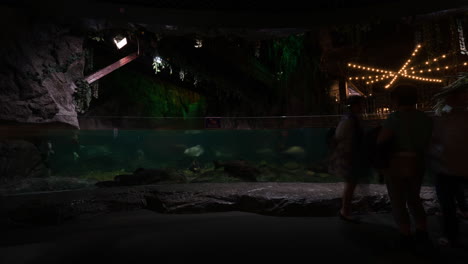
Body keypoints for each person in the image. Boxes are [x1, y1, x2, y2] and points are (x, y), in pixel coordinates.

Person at [377, 84, 433, 249]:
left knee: (398, 200)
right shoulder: (425, 119)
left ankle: (405, 234)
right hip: (418, 162)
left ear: (397, 100)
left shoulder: (394, 118)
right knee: (414, 198)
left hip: (397, 163)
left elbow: (381, 141)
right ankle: (422, 231)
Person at [429, 79, 468, 247]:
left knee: (447, 204)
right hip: (455, 167)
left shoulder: (444, 119)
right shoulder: (449, 117)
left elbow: (434, 142)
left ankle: (452, 236)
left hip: (446, 168)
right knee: (449, 203)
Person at [328, 95, 369, 222]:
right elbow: (339, 136)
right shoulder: (349, 119)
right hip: (350, 156)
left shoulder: (353, 118)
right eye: (361, 104)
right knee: (351, 183)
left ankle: (349, 209)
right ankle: (345, 211)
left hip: (353, 155)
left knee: (353, 183)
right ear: (354, 106)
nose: (363, 107)